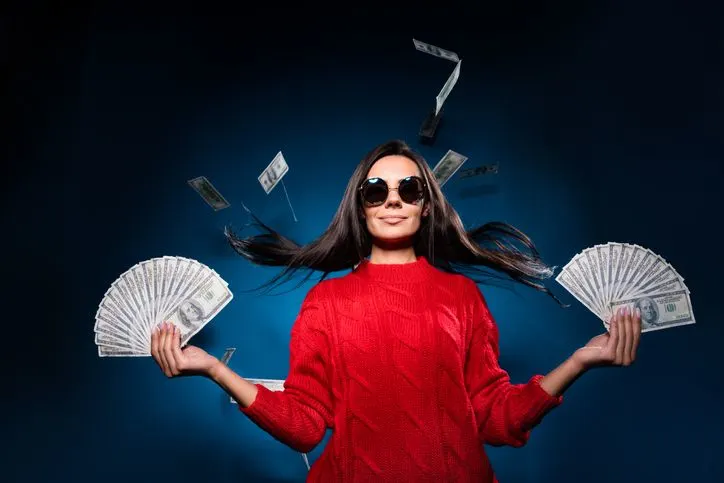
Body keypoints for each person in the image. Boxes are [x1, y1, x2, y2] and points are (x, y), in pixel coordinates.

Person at [150, 140, 642, 482]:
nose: (392, 201)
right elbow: (303, 424)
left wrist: (579, 362)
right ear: (359, 206)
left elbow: (494, 420)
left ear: (426, 204)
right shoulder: (325, 303)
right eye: (375, 191)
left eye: (409, 190)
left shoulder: (461, 298)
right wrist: (214, 368)